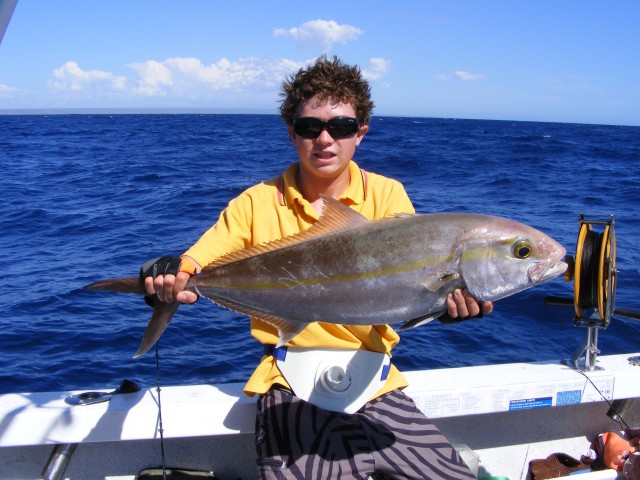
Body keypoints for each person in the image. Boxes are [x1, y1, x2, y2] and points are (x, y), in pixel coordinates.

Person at [143, 55, 493, 480]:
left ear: (361, 133)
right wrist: (168, 273)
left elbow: (408, 286)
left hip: (376, 379)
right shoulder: (257, 202)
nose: (325, 139)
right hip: (287, 375)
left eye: (341, 127)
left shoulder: (387, 196)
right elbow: (196, 262)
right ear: (292, 133)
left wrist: (446, 308)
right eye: (310, 127)